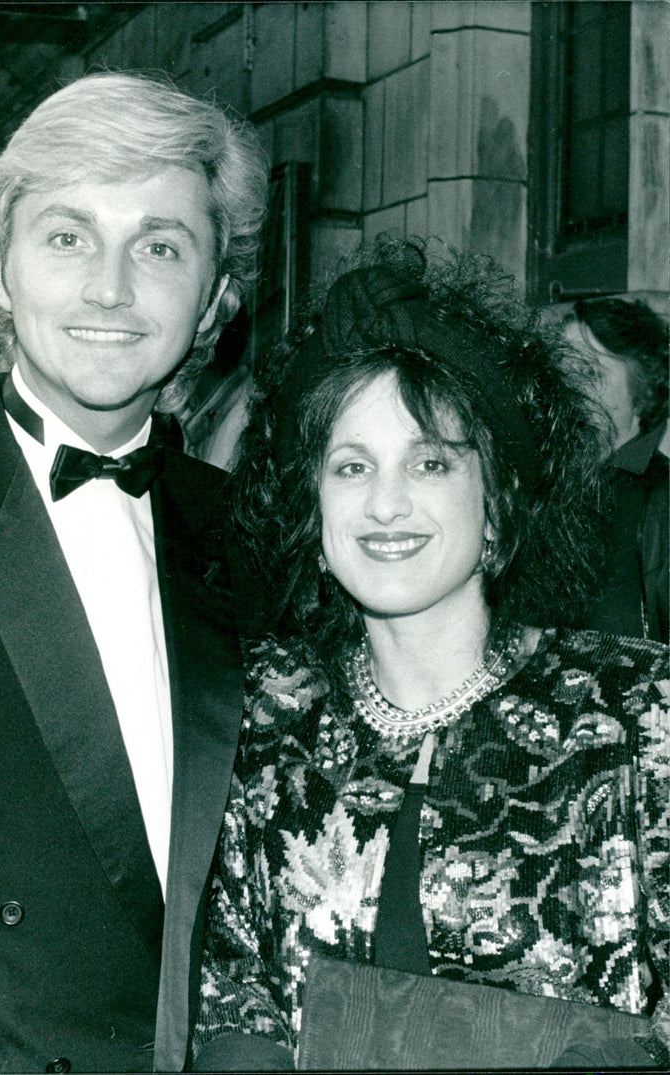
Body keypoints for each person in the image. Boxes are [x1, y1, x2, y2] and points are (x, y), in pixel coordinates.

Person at [192, 240, 670, 1071]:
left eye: (431, 462)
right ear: (313, 509)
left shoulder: (638, 712)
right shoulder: (265, 720)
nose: (385, 504)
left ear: (497, 505)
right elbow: (237, 1003)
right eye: (350, 466)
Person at [0, 71, 267, 1074]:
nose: (110, 288)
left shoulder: (252, 537)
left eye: (161, 247)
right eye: (67, 236)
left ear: (216, 292)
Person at [563, 298, 668, 642]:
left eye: (591, 372)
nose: (569, 386)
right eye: (562, 369)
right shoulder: (535, 488)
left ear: (642, 393)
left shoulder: (662, 500)